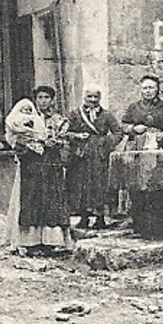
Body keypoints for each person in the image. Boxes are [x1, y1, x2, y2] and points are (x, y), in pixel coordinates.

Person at [4, 85, 73, 255]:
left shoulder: (58, 120)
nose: (43, 101)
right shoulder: (25, 117)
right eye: (40, 97)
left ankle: (52, 241)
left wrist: (55, 143)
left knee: (52, 199)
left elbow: (64, 140)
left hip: (50, 163)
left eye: (46, 98)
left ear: (52, 100)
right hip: (32, 164)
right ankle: (30, 241)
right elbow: (16, 139)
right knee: (32, 198)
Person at [65, 87, 123, 229]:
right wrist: (77, 137)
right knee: (81, 186)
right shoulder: (75, 114)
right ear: (84, 97)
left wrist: (105, 144)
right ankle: (83, 217)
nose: (92, 100)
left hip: (99, 157)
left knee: (100, 186)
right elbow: (65, 132)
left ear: (99, 98)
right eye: (89, 96)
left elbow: (118, 132)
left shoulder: (106, 115)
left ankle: (100, 218)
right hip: (81, 156)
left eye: (95, 97)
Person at [119, 75, 163, 150]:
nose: (148, 91)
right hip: (137, 145)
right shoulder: (133, 107)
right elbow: (123, 125)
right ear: (141, 90)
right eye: (145, 88)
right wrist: (134, 128)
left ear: (157, 89)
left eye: (151, 88)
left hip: (161, 145)